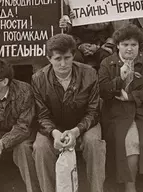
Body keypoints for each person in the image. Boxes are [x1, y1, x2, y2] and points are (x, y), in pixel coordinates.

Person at [98, 24, 143, 192]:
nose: (129, 49)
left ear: (139, 46)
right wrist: (119, 79)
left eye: (133, 45)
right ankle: (130, 188)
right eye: (125, 44)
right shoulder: (107, 63)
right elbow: (103, 90)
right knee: (129, 144)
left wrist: (131, 97)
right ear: (117, 46)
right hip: (119, 113)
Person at [31, 34, 106, 192]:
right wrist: (54, 133)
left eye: (67, 58)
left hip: (84, 123)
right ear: (49, 58)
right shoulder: (38, 78)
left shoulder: (89, 73)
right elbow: (41, 115)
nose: (63, 64)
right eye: (58, 59)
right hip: (53, 126)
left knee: (94, 143)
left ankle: (97, 189)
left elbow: (93, 111)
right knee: (40, 147)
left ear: (73, 56)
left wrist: (76, 131)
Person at [0, 59, 40, 192]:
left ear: (4, 82)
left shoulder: (24, 91)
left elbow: (23, 126)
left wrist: (2, 143)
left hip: (23, 134)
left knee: (24, 149)